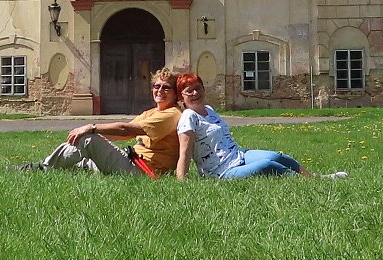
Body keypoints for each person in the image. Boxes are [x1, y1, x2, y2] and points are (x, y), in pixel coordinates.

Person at [174, 73, 346, 179]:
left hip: (238, 155)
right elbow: (185, 152)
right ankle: (306, 184)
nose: (195, 93)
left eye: (198, 88)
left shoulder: (209, 109)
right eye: (189, 91)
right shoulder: (188, 117)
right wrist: (182, 181)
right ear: (181, 97)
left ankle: (315, 177)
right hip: (221, 172)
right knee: (267, 165)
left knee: (276, 156)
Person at [20, 67, 181, 176]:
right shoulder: (152, 112)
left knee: (88, 139)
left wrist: (92, 128)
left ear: (176, 93)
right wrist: (101, 139)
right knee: (80, 160)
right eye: (156, 86)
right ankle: (35, 168)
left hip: (143, 171)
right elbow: (123, 135)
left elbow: (127, 130)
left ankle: (42, 168)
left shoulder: (171, 114)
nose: (159, 91)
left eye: (166, 88)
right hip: (133, 160)